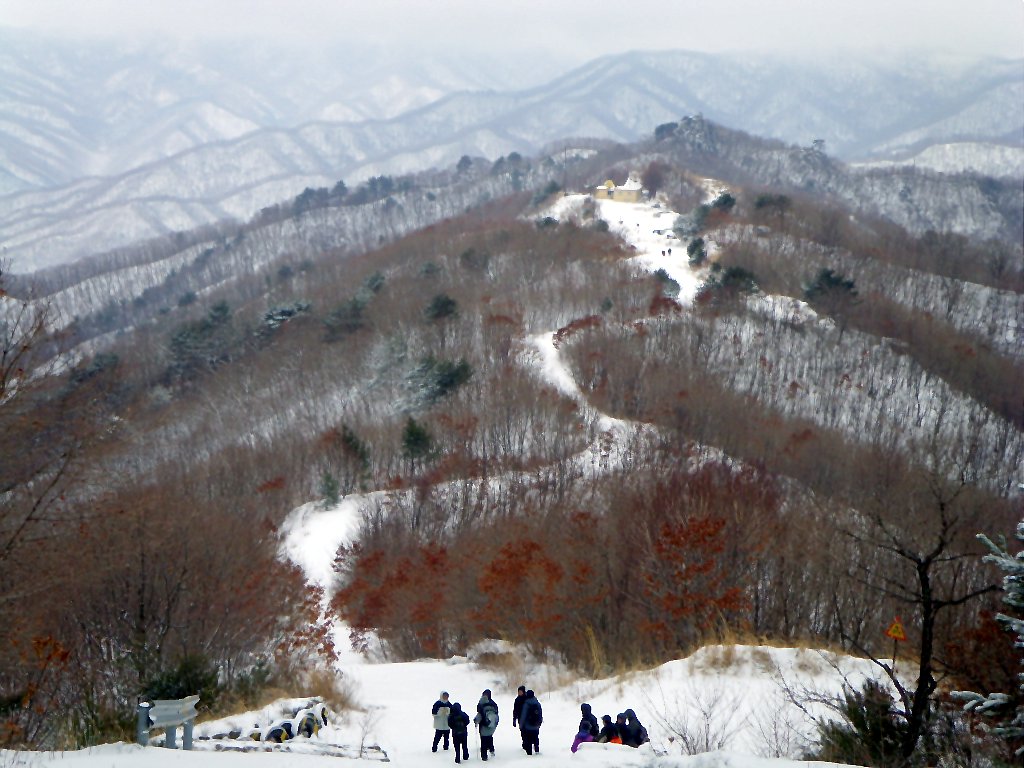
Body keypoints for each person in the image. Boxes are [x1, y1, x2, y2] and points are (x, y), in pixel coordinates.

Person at [474, 688, 499, 761]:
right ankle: (491, 750)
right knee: (490, 737)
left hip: (483, 725)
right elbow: (496, 713)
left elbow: (479, 714)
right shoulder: (493, 704)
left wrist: (476, 721)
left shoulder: (481, 704)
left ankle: (484, 757)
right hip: (492, 725)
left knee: (483, 740)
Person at [519, 689, 542, 755]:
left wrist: (521, 724)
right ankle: (537, 750)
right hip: (536, 725)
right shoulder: (537, 703)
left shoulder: (526, 704)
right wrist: (539, 721)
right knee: (536, 738)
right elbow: (540, 713)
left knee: (528, 739)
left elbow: (523, 715)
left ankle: (529, 753)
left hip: (528, 725)